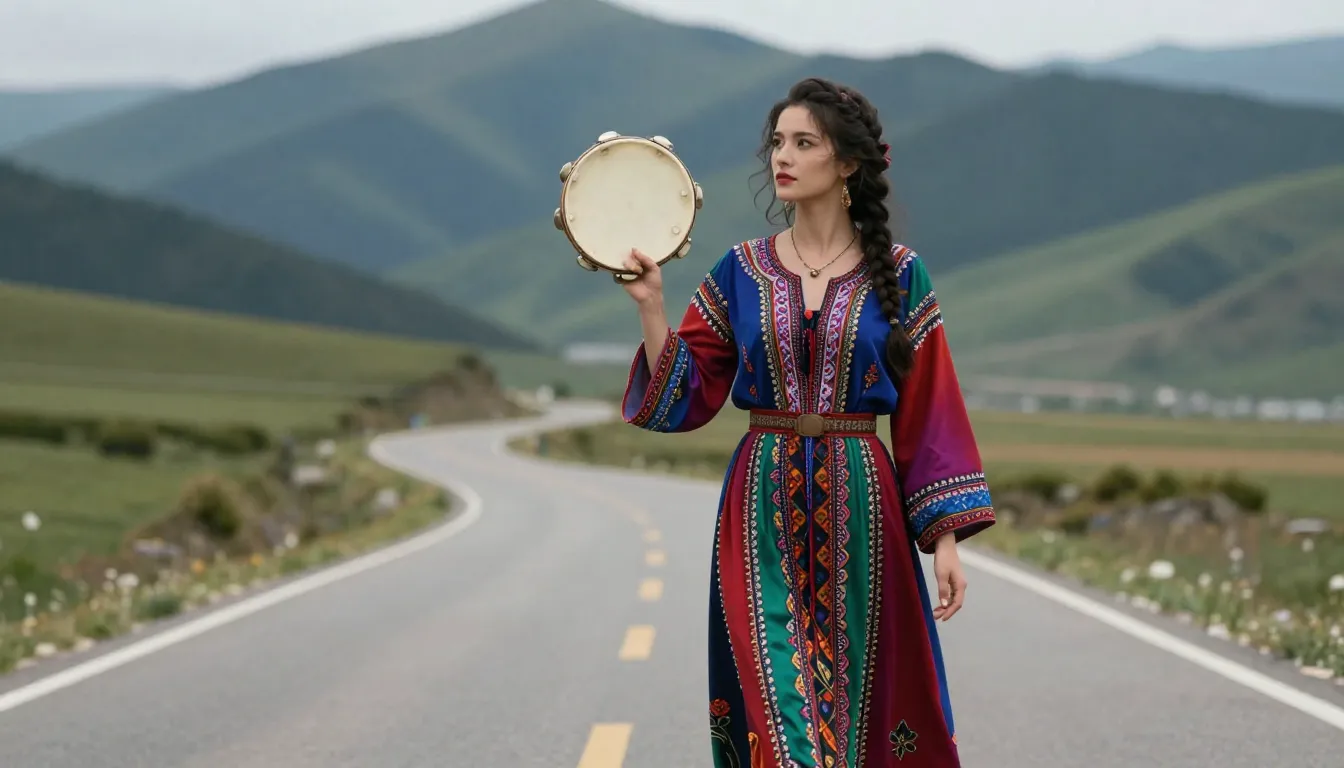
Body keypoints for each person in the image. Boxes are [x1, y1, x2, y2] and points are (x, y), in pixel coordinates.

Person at [618, 77, 995, 767]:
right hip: (759, 507)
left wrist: (944, 537)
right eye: (777, 143)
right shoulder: (741, 269)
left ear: (847, 163)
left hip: (865, 511)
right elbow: (688, 390)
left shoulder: (903, 277)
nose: (781, 157)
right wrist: (650, 307)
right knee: (779, 721)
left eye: (803, 143)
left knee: (861, 712)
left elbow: (929, 407)